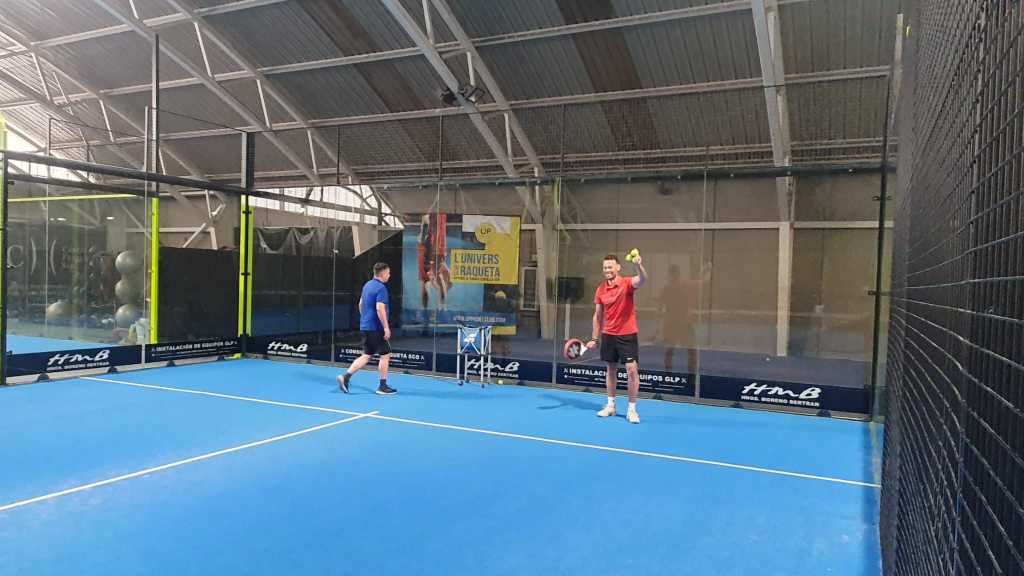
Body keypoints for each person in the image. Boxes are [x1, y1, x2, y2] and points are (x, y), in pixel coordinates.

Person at [586, 253, 648, 423]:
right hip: (609, 335)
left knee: (632, 370)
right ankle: (611, 406)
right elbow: (597, 315)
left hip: (627, 334)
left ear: (618, 267)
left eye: (610, 267)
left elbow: (642, 280)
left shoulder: (627, 283)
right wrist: (594, 338)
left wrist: (639, 266)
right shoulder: (600, 289)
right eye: (605, 267)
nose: (607, 270)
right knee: (610, 370)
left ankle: (632, 409)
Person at [338, 262, 397, 395]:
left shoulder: (367, 285)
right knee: (385, 355)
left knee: (366, 355)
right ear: (382, 274)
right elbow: (379, 308)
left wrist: (365, 318)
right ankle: (382, 387)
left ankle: (345, 377)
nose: (389, 275)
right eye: (388, 273)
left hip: (366, 326)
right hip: (376, 328)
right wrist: (386, 327)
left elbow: (361, 304)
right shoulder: (381, 288)